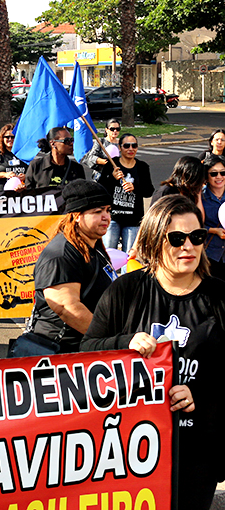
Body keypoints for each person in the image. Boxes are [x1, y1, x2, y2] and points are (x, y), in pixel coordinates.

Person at [81, 195, 224, 510]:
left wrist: (198, 391)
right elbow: (87, 350)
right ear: (154, 240)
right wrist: (125, 342)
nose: (189, 246)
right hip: (130, 449)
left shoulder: (220, 295)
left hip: (198, 447)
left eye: (197, 237)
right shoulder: (126, 290)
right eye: (177, 238)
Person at [27, 180, 115, 354]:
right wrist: (111, 340)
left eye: (108, 210)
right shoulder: (61, 254)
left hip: (85, 349)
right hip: (60, 353)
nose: (106, 217)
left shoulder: (93, 244)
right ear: (76, 216)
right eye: (97, 212)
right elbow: (66, 307)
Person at [97, 133, 154, 252]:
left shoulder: (142, 167)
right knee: (109, 253)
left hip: (133, 219)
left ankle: (126, 272)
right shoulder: (112, 165)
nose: (131, 149)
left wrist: (135, 187)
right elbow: (100, 189)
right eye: (127, 146)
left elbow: (149, 191)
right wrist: (112, 178)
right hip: (113, 217)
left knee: (129, 255)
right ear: (120, 147)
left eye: (134, 146)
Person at [202, 155, 225, 281]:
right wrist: (213, 230)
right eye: (214, 174)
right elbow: (193, 226)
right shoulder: (200, 198)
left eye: (223, 173)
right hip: (209, 255)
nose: (219, 177)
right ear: (206, 176)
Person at [0, 123, 27, 190]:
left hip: (23, 192)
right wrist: (5, 175)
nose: (10, 139)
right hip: (2, 192)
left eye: (13, 137)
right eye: (7, 137)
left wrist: (26, 176)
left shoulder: (25, 152)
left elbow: (35, 172)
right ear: (2, 138)